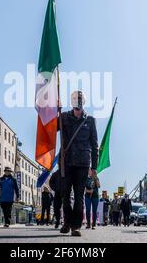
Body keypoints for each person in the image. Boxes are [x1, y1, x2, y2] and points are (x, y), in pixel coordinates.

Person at [58, 91, 99, 237]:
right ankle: (67, 222)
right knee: (65, 195)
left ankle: (76, 226)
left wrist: (94, 167)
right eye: (75, 108)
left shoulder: (90, 121)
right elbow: (49, 128)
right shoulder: (62, 117)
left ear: (83, 106)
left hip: (83, 163)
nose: (77, 111)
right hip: (66, 162)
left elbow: (95, 145)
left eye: (79, 108)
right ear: (72, 105)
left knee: (79, 196)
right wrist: (54, 110)